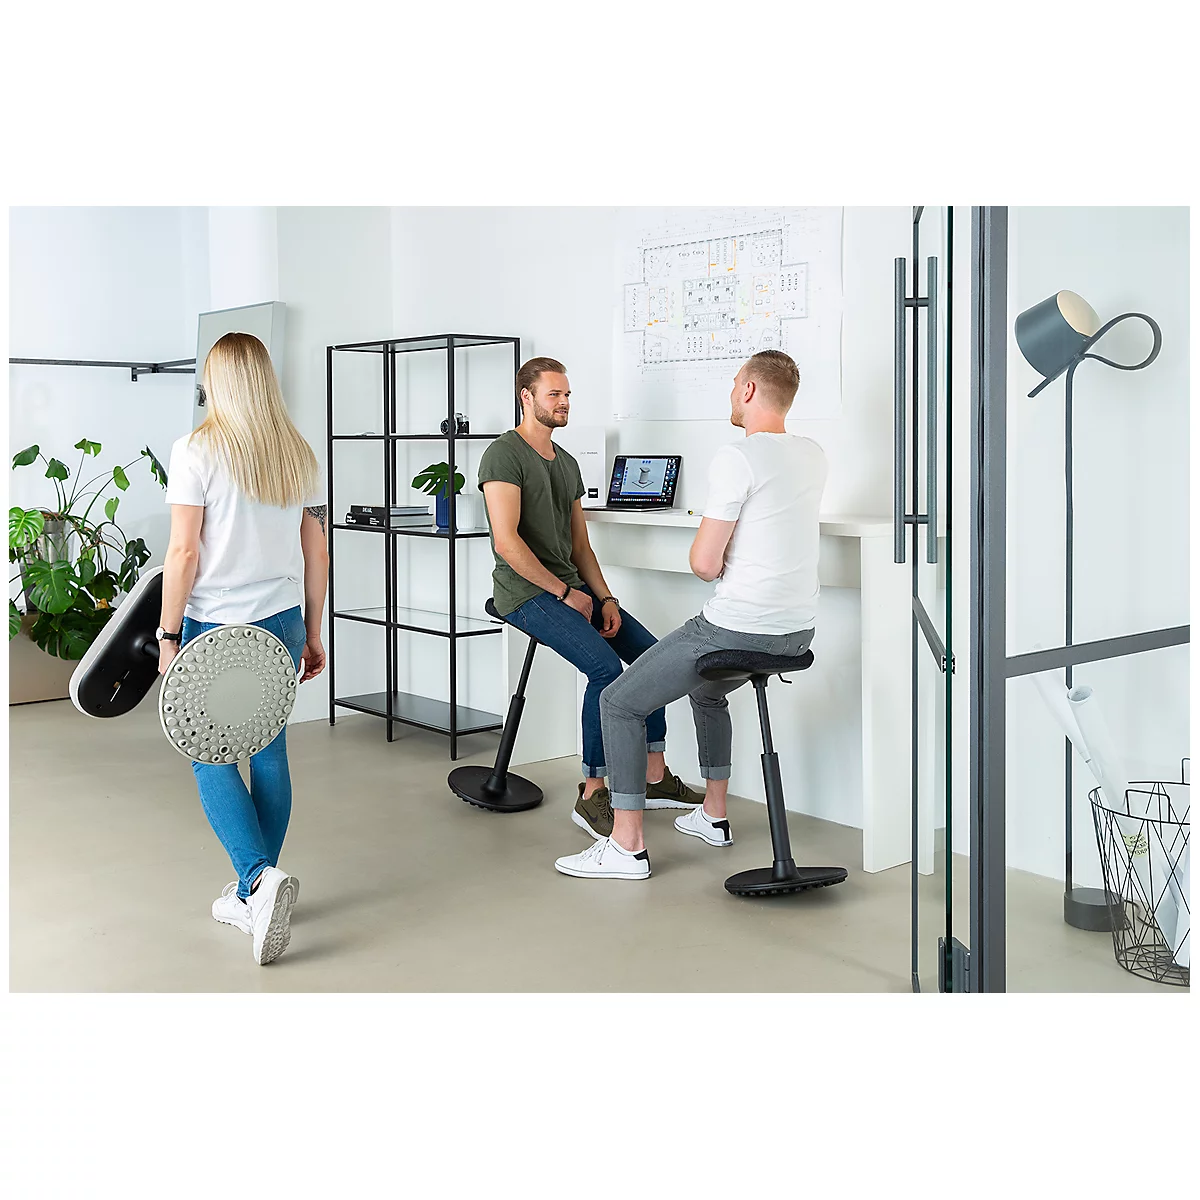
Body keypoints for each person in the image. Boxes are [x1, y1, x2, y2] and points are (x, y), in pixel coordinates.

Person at [554, 350, 827, 880]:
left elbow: (703, 565)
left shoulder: (737, 456)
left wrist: (718, 548)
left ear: (748, 390)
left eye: (732, 385)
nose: (729, 395)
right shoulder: (814, 454)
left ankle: (626, 845)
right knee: (708, 688)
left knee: (619, 701)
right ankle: (713, 815)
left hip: (737, 625)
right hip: (795, 632)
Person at [478, 356, 703, 838]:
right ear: (527, 397)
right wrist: (563, 593)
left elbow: (580, 545)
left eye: (567, 395)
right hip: (524, 592)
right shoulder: (503, 455)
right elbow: (506, 542)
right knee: (604, 670)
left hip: (569, 587)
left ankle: (654, 776)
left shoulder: (568, 464)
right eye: (553, 394)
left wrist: (605, 599)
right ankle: (593, 791)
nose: (563, 403)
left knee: (653, 656)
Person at [159, 332, 328, 964]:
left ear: (217, 381)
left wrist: (169, 635)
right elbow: (317, 551)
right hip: (279, 621)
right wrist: (312, 632)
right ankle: (257, 888)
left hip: (216, 627)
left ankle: (257, 879)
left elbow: (183, 552)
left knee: (210, 758)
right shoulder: (296, 453)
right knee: (271, 755)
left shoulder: (195, 449)